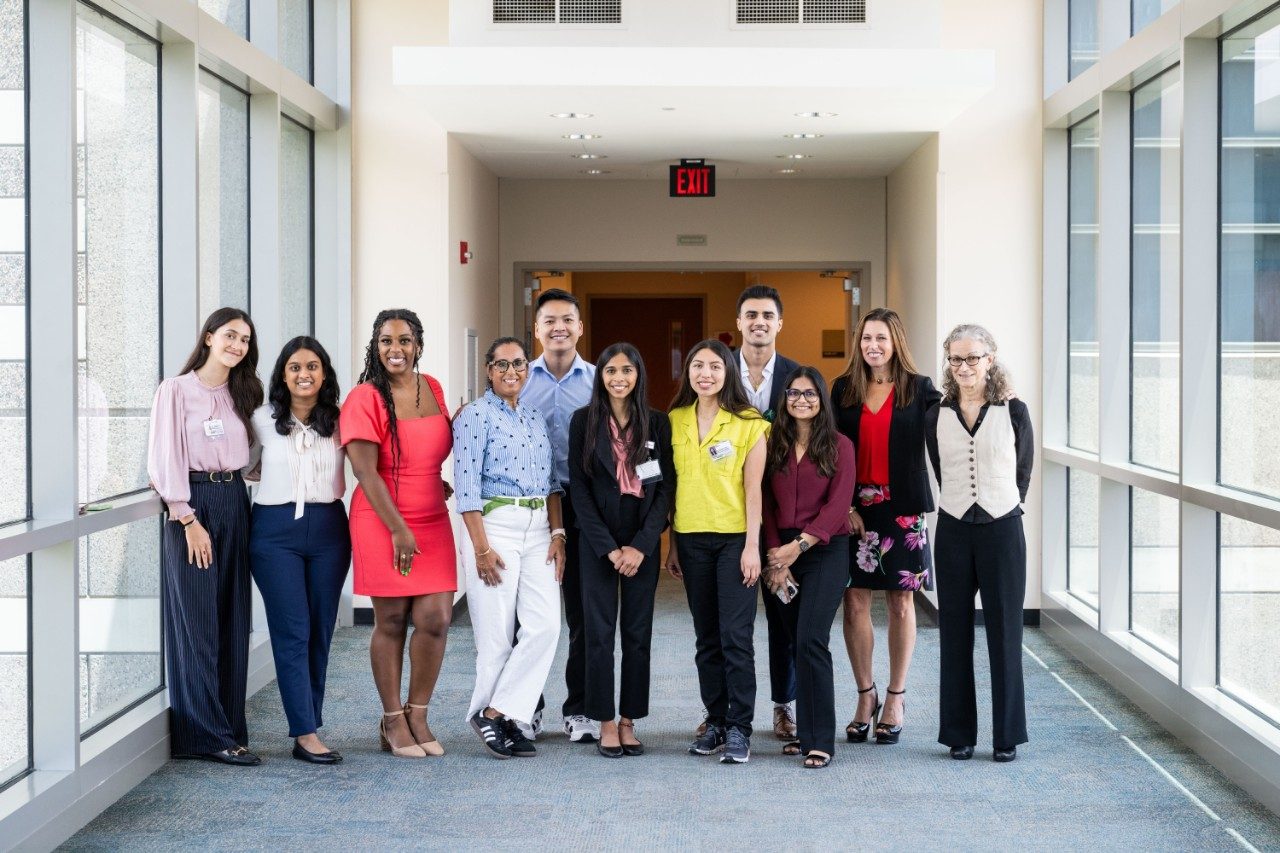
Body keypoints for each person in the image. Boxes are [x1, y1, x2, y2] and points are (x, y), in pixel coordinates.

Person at [147, 307, 263, 766]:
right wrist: (186, 517)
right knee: (196, 622)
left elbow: (253, 454)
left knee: (233, 618)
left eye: (245, 340)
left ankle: (230, 727)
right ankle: (206, 735)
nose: (238, 346)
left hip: (235, 500)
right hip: (193, 506)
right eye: (231, 336)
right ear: (210, 337)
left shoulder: (242, 393)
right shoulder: (176, 391)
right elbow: (162, 459)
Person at [341, 309, 456, 760]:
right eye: (386, 341)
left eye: (404, 340)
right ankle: (392, 720)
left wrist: (436, 480)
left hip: (432, 516)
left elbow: (430, 452)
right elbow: (365, 472)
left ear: (418, 345)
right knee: (390, 621)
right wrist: (399, 530)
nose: (395, 349)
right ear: (375, 346)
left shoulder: (434, 388)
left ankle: (419, 713)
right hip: (383, 520)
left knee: (435, 619)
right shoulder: (365, 397)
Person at [831, 307, 940, 746]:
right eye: (865, 339)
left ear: (896, 341)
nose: (872, 346)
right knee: (854, 602)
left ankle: (895, 697)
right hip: (856, 508)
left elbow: (945, 438)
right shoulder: (843, 389)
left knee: (900, 604)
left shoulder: (920, 389)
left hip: (903, 509)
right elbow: (831, 452)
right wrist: (839, 508)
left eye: (880, 338)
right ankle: (865, 694)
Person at [454, 336, 566, 759]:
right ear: (488, 370)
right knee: (497, 636)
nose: (511, 372)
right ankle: (506, 720)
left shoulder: (535, 417)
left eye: (518, 364)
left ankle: (497, 712)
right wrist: (481, 548)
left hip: (539, 528)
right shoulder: (474, 417)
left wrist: (558, 535)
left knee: (545, 626)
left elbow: (554, 483)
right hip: (494, 527)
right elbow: (466, 489)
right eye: (501, 365)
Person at [926, 324, 1033, 763]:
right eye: (956, 359)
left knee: (1005, 634)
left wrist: (1003, 505)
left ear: (990, 357)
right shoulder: (938, 412)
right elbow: (939, 467)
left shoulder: (1014, 409)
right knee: (953, 634)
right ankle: (958, 733)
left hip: (1002, 528)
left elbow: (1022, 468)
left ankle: (1005, 734)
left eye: (973, 357)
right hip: (953, 530)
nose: (964, 366)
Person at [664, 339, 769, 764]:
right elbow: (670, 487)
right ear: (687, 371)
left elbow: (754, 491)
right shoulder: (673, 420)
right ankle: (717, 721)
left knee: (735, 638)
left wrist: (752, 548)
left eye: (714, 366)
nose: (705, 373)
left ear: (728, 373)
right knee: (706, 638)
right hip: (690, 539)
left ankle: (741, 728)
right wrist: (671, 542)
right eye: (697, 366)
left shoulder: (749, 423)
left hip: (734, 540)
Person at [567, 343, 674, 758]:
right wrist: (609, 549)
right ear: (601, 376)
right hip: (598, 541)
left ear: (638, 376)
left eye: (627, 370)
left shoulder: (657, 424)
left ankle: (629, 719)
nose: (618, 378)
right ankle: (605, 720)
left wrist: (642, 546)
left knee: (637, 633)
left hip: (641, 537)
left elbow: (665, 489)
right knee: (597, 633)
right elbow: (579, 487)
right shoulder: (583, 422)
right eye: (611, 370)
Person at [248, 337, 350, 765]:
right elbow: (239, 463)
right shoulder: (260, 419)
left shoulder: (343, 421)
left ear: (324, 373)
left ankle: (311, 720)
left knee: (321, 629)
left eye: (312, 366)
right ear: (282, 375)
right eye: (294, 367)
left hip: (329, 528)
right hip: (274, 533)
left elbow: (374, 462)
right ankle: (305, 733)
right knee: (293, 631)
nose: (304, 374)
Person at [762, 367, 856, 768]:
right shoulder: (772, 444)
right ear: (784, 400)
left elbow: (839, 505)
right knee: (790, 641)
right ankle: (803, 734)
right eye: (794, 393)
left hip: (824, 549)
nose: (802, 400)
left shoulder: (839, 445)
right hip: (780, 551)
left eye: (810, 393)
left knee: (811, 640)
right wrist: (774, 557)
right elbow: (763, 502)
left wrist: (798, 548)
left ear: (822, 398)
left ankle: (820, 740)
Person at [521, 288, 598, 743]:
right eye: (549, 320)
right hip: (530, 507)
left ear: (580, 327)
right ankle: (525, 707)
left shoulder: (598, 380)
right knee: (528, 611)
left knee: (585, 609)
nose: (559, 328)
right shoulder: (515, 377)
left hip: (582, 502)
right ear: (537, 329)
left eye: (567, 320)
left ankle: (581, 709)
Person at [733, 284, 801, 741]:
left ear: (779, 323)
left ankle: (784, 708)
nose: (759, 322)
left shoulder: (799, 377)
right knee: (728, 625)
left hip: (783, 516)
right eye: (750, 315)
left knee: (784, 620)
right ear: (738, 322)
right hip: (727, 514)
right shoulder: (716, 371)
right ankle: (721, 710)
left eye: (767, 316)